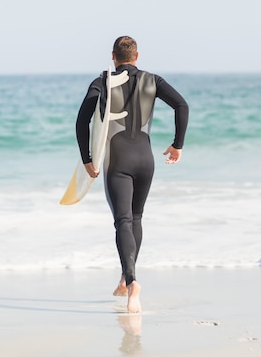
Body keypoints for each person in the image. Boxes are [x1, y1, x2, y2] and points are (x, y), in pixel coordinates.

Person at [75, 36, 189, 313]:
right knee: (135, 218)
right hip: (145, 159)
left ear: (113, 56)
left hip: (118, 160)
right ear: (137, 56)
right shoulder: (154, 80)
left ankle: (133, 281)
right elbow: (182, 106)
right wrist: (178, 145)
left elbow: (82, 120)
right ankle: (126, 278)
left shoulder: (103, 81)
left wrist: (87, 159)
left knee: (122, 221)